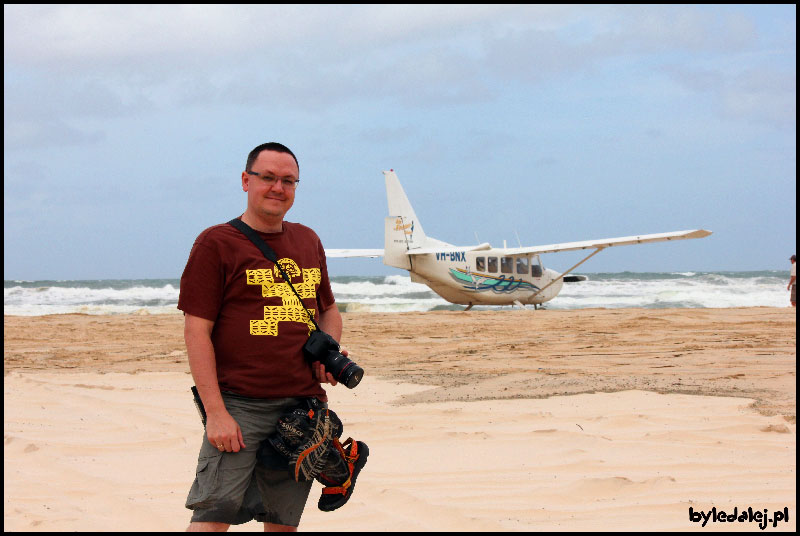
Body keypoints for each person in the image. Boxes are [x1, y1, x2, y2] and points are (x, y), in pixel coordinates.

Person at [178, 142, 348, 532]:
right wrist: (216, 413)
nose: (278, 188)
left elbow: (328, 311)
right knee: (211, 518)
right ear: (245, 180)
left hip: (302, 408)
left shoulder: (307, 240)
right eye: (268, 177)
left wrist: (328, 352)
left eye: (288, 181)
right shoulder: (216, 243)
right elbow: (196, 331)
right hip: (239, 407)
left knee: (282, 523)